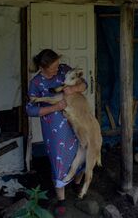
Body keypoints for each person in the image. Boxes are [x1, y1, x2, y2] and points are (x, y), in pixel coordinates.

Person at [26, 49, 87, 216]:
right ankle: (61, 200)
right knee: (59, 159)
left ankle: (76, 182)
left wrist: (73, 90)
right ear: (42, 67)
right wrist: (54, 107)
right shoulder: (36, 83)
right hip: (55, 130)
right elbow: (30, 110)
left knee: (81, 153)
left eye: (57, 65)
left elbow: (84, 84)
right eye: (53, 68)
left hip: (75, 122)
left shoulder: (64, 70)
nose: (56, 69)